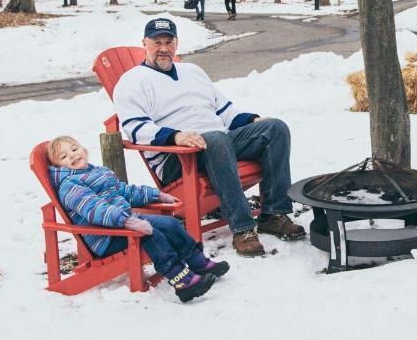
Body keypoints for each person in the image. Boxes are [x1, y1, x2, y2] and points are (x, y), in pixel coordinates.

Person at [113, 17, 306, 257]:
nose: (163, 48)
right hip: (179, 159)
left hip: (218, 143)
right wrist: (176, 136)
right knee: (216, 138)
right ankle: (243, 228)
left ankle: (274, 214)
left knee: (275, 128)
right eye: (156, 42)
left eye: (168, 41)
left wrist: (253, 121)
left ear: (176, 44)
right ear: (144, 43)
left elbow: (224, 111)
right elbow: (134, 128)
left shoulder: (193, 72)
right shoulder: (131, 81)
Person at [47, 134, 229, 303]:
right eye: (63, 157)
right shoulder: (70, 186)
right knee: (152, 235)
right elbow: (95, 210)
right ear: (58, 166)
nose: (71, 156)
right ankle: (182, 281)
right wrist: (127, 222)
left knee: (171, 224)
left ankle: (198, 262)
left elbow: (125, 191)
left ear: (84, 150)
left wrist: (156, 195)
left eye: (73, 149)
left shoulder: (98, 172)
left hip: (125, 223)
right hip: (105, 237)